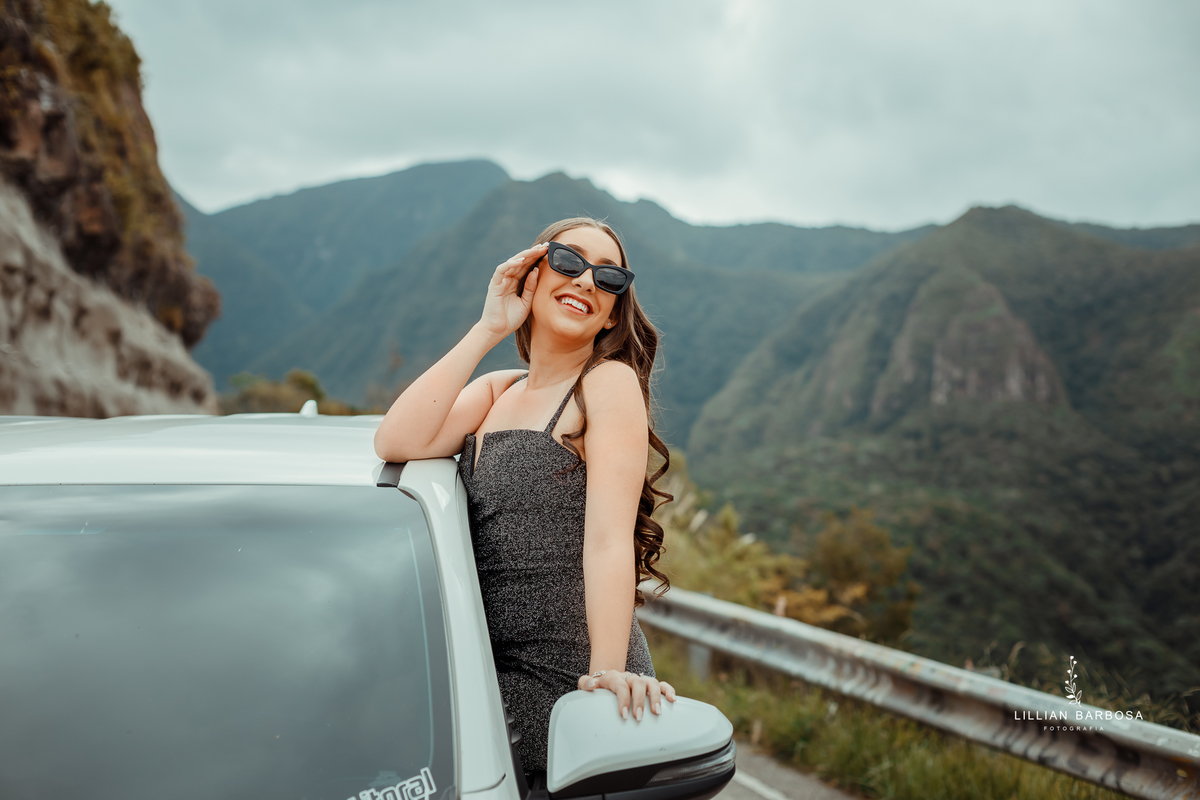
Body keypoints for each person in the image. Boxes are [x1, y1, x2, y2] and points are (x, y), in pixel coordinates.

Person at [374, 217, 676, 777]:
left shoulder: (605, 385)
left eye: (608, 277)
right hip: (486, 677)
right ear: (531, 275)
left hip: (572, 676)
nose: (587, 280)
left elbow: (609, 541)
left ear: (614, 309)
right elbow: (396, 440)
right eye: (568, 262)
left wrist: (603, 679)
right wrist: (490, 326)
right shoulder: (496, 391)